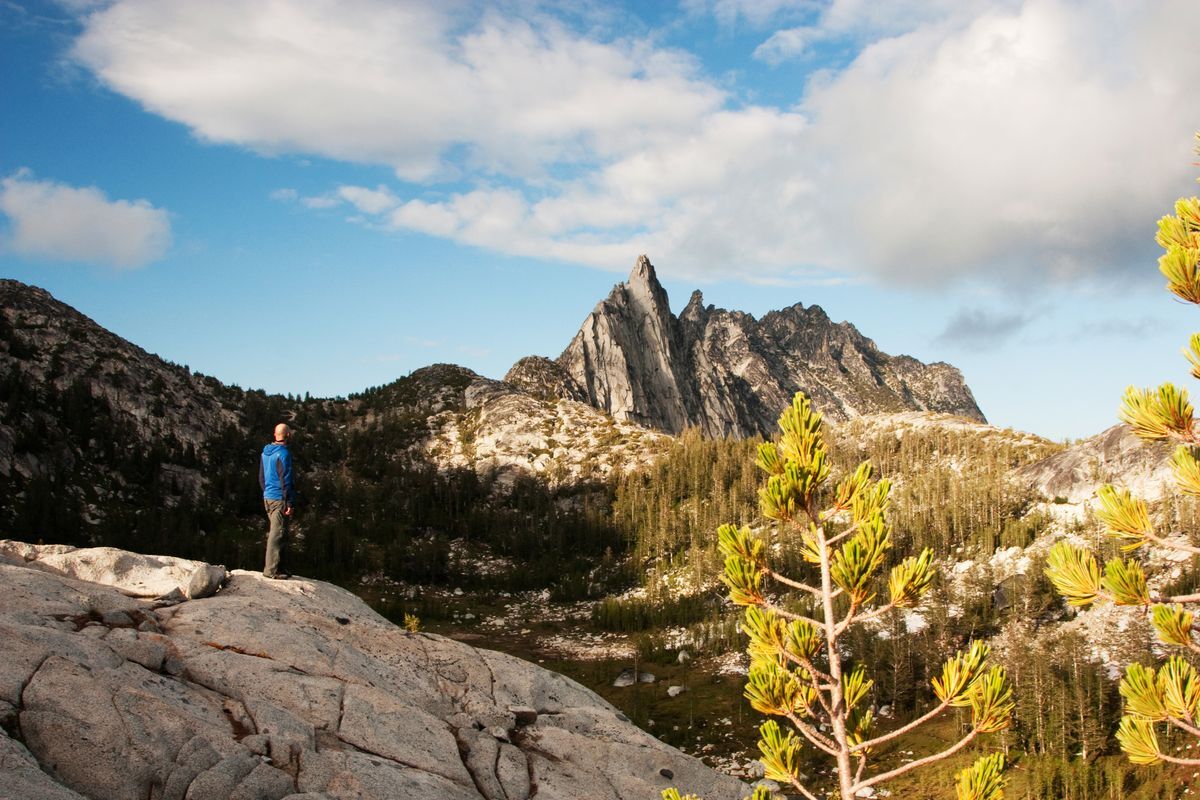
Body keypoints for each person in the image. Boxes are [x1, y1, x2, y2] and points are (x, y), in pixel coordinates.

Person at [259, 422, 296, 579]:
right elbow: (286, 479)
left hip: (268, 496)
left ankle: (280, 568)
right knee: (277, 534)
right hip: (279, 497)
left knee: (281, 533)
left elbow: (261, 476)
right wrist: (289, 502)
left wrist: (266, 492)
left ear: (275, 435)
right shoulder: (283, 454)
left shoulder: (265, 453)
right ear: (288, 435)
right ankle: (271, 570)